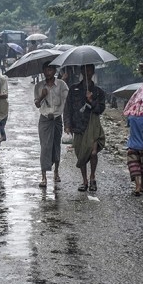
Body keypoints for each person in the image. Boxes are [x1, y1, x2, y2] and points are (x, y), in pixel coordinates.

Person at [63, 64, 106, 192]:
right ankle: (84, 181)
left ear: (93, 72)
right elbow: (68, 108)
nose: (87, 72)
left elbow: (100, 109)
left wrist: (91, 100)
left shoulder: (98, 91)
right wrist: (67, 124)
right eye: (84, 69)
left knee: (93, 152)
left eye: (89, 70)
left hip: (92, 125)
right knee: (81, 153)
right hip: (78, 125)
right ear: (81, 71)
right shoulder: (74, 89)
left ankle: (92, 177)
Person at [34, 62, 69, 187]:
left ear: (54, 71)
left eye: (50, 70)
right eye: (45, 70)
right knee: (45, 147)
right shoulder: (39, 86)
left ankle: (56, 172)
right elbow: (37, 104)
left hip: (57, 119)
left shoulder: (61, 85)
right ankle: (43, 176)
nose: (48, 72)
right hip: (44, 120)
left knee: (56, 145)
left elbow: (67, 101)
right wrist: (42, 96)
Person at [126, 114, 143, 196]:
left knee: (134, 166)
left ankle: (137, 186)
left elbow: (128, 125)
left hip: (132, 146)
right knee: (142, 165)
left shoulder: (131, 118)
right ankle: (142, 185)